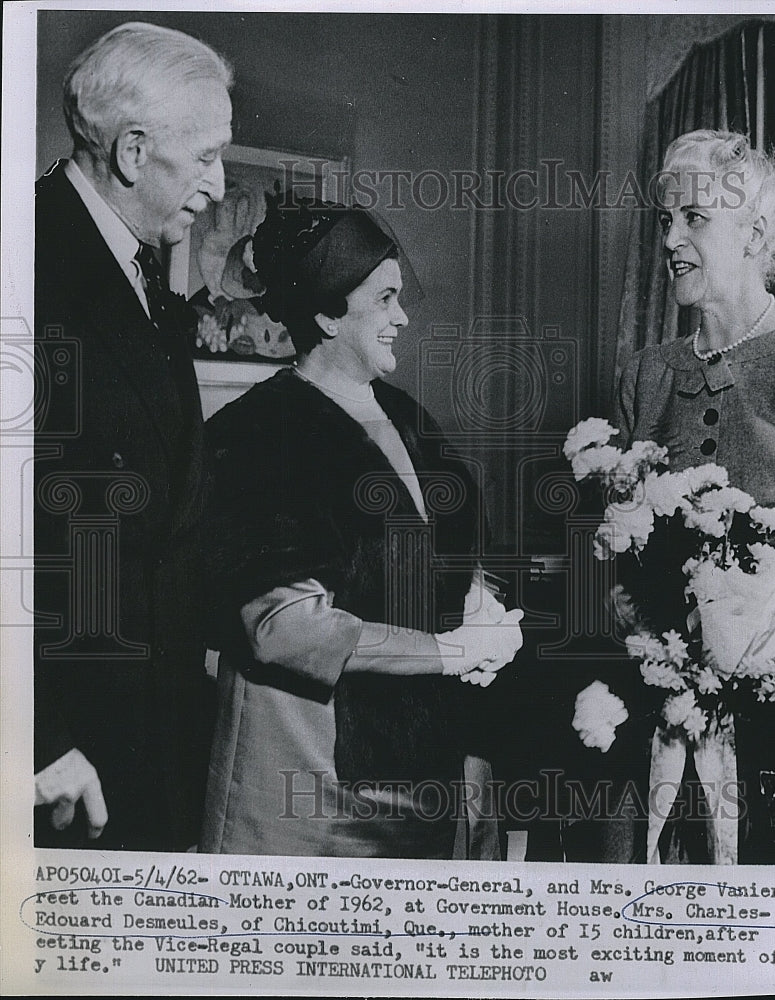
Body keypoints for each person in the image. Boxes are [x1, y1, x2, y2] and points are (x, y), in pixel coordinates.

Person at [199, 194, 523, 857]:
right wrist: (455, 652)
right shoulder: (259, 431)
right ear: (325, 314)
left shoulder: (406, 417)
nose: (403, 317)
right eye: (383, 300)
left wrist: (483, 606)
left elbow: (461, 544)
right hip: (315, 786)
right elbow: (283, 628)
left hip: (418, 763)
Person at [33, 22, 233, 850]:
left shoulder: (145, 272)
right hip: (68, 763)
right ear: (133, 152)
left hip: (151, 740)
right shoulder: (29, 259)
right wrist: (36, 743)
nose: (220, 185)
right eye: (207, 157)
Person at [612, 129, 775, 863]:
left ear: (756, 232)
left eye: (694, 218)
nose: (671, 238)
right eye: (665, 221)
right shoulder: (648, 374)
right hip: (658, 716)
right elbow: (620, 543)